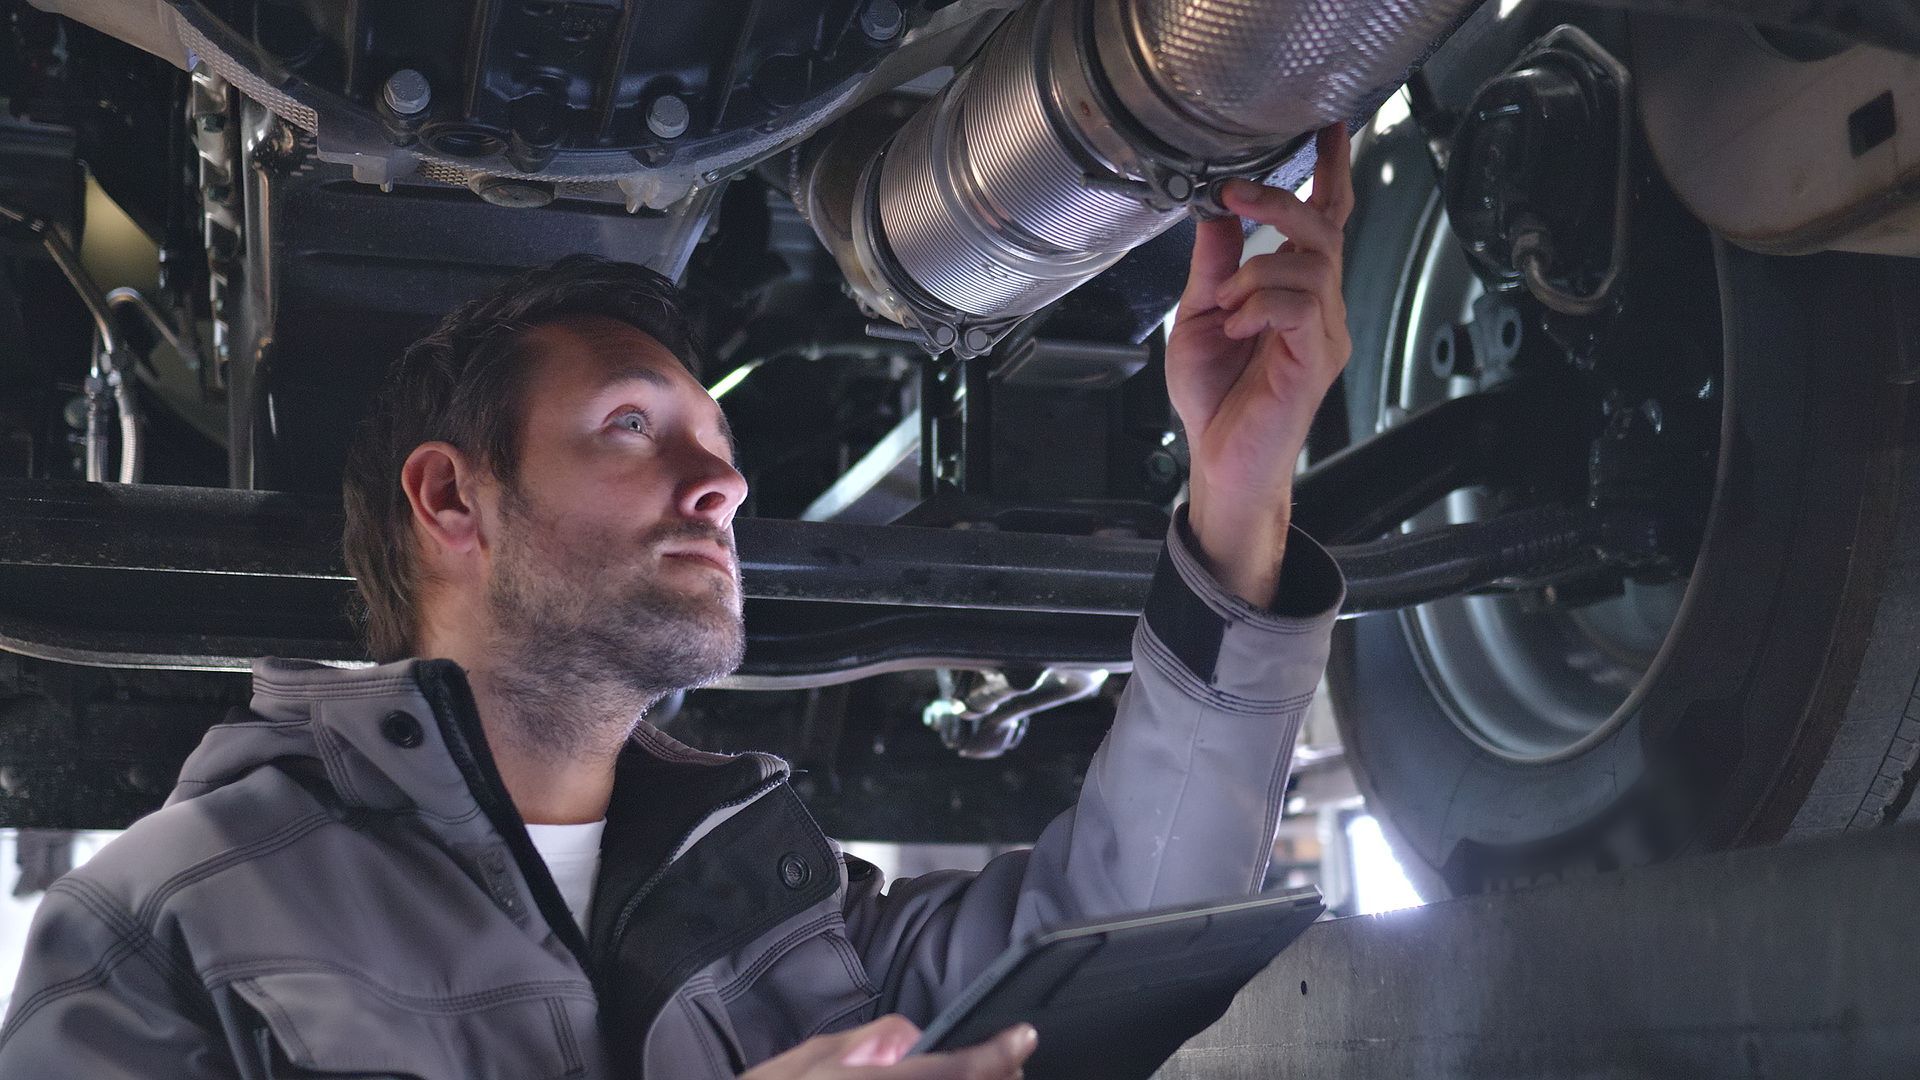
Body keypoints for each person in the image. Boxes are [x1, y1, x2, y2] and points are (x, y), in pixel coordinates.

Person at [0, 125, 1354, 1079]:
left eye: (717, 438)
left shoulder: (784, 913)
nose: (721, 482)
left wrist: (1239, 499)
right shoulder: (168, 927)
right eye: (634, 426)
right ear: (452, 501)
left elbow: (1127, 935)